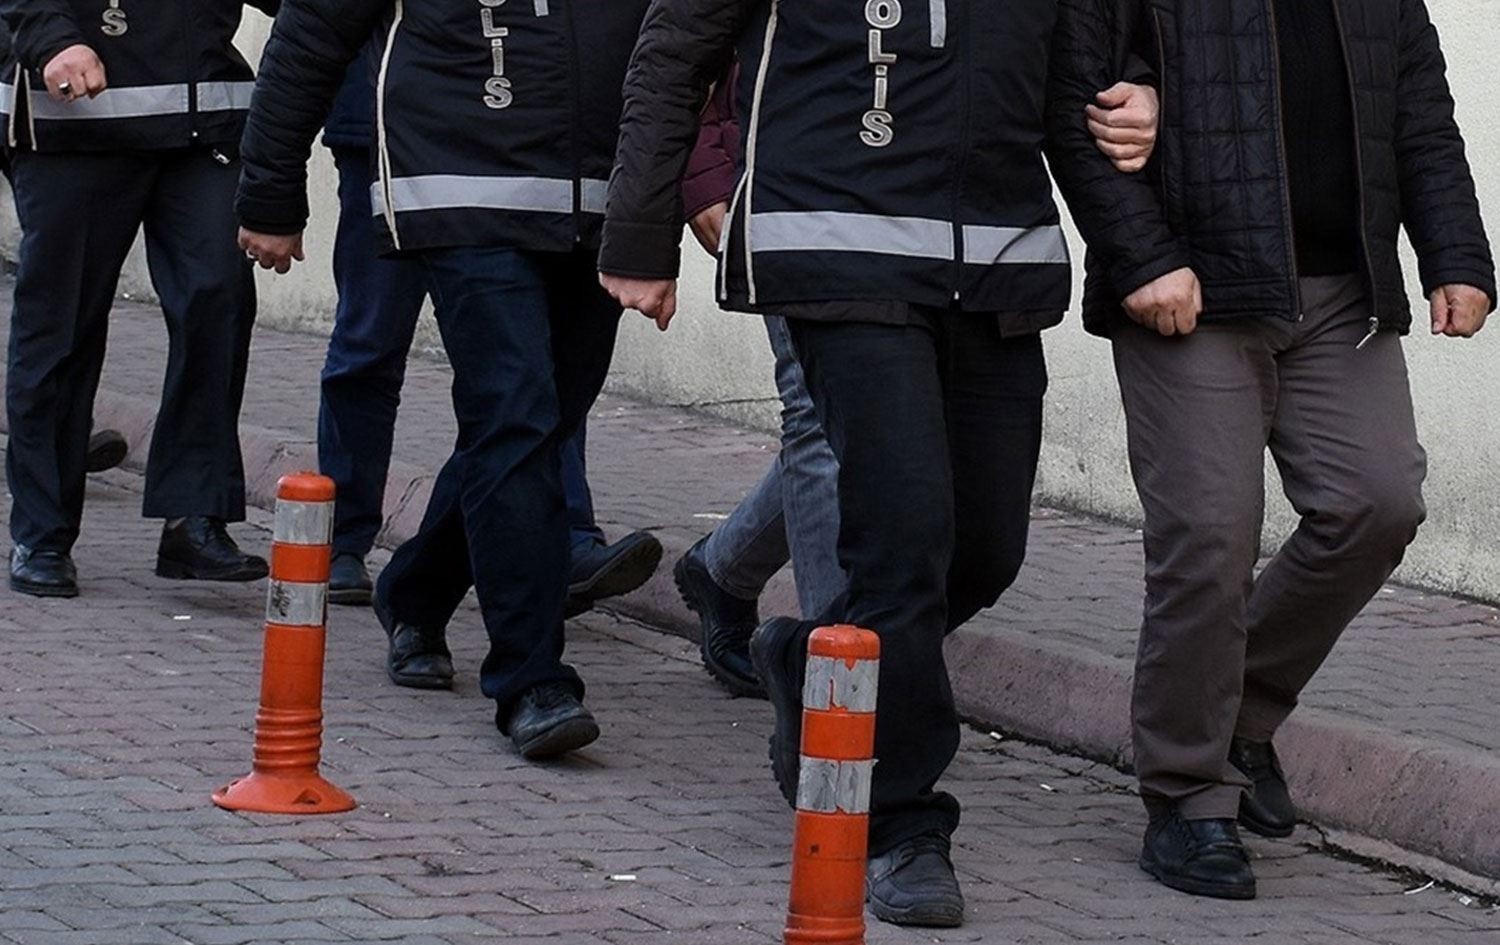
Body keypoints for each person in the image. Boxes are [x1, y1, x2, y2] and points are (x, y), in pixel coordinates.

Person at [598, 1, 1159, 926]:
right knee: (902, 545)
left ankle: (815, 660)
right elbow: (672, 54)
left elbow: (1074, 93)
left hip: (996, 269)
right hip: (836, 255)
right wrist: (638, 233)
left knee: (984, 551)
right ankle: (900, 823)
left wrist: (1139, 251)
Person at [1045, 0, 1494, 900]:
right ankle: (1187, 793)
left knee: (1377, 500)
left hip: (1339, 291)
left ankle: (1236, 712)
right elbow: (1072, 102)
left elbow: (1417, 107)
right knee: (1210, 534)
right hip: (1194, 286)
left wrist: (1457, 253)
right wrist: (1139, 258)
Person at [237, 0, 651, 759]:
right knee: (516, 413)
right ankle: (531, 679)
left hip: (595, 198)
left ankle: (415, 592)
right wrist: (270, 189)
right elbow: (311, 34)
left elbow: (680, 45)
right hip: (458, 185)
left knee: (532, 424)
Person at [314, 48, 661, 610]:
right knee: (371, 342)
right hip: (388, 135)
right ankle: (343, 539)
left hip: (521, 146)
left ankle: (563, 535)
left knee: (535, 374)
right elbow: (308, 30)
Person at [1, 0, 276, 599]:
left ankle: (194, 517)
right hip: (78, 119)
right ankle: (43, 533)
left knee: (217, 296)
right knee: (62, 325)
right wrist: (51, 40)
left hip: (202, 123)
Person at [671, 67, 846, 698]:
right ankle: (833, 675)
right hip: (778, 186)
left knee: (853, 422)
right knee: (817, 414)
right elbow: (677, 45)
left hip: (904, 190)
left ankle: (724, 568)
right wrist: (703, 171)